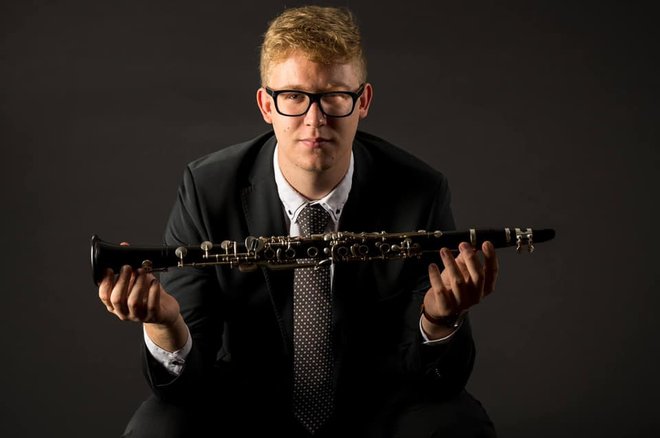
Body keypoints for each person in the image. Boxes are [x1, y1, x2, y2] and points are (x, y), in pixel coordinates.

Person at [98, 5, 499, 437]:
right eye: (293, 96)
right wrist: (165, 324)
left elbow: (437, 382)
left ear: (362, 101)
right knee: (157, 428)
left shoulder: (418, 189)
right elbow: (184, 387)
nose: (315, 119)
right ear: (265, 105)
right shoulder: (207, 188)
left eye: (334, 96)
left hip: (376, 407)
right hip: (245, 409)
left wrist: (439, 322)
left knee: (457, 425)